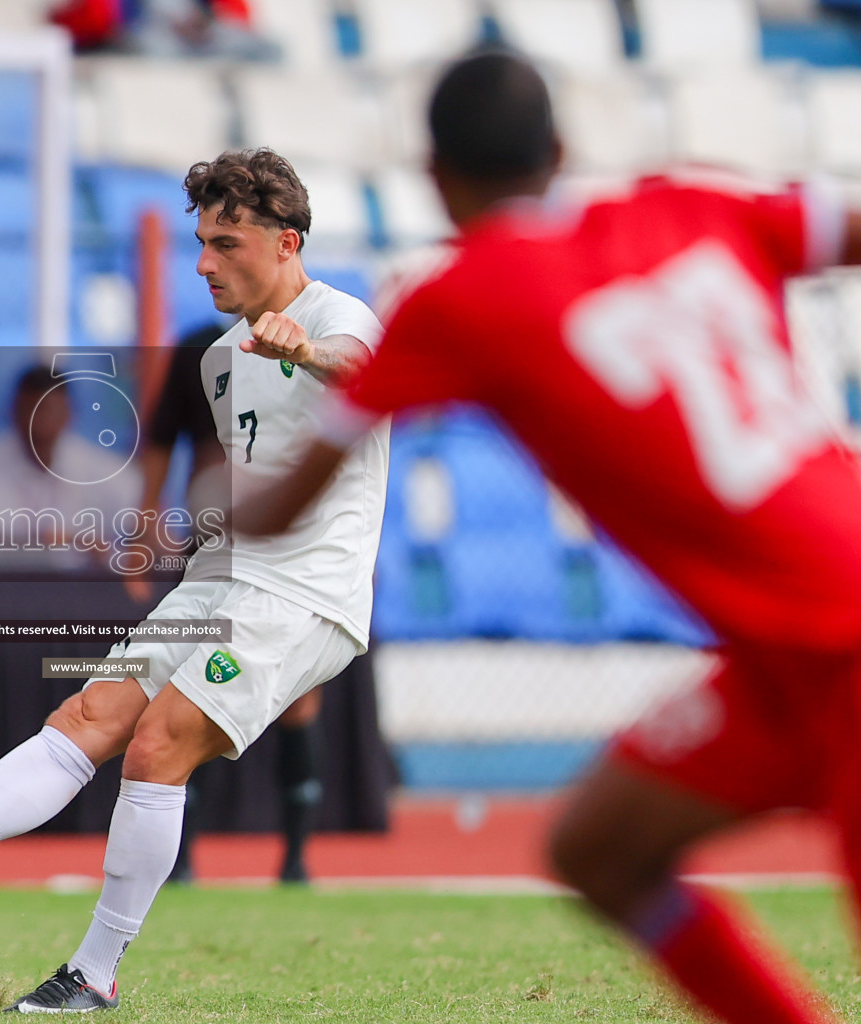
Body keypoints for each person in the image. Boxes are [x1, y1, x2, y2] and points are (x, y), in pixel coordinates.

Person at [240, 49, 861, 1024]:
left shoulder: (462, 299)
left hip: (839, 646)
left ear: (437, 179)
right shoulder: (689, 204)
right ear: (561, 150)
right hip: (788, 653)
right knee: (598, 846)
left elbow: (278, 501)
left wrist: (145, 516)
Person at [0, 147, 391, 1012]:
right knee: (88, 714)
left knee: (159, 746)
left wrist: (306, 351)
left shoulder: (344, 320)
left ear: (287, 241)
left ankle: (95, 971)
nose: (204, 263)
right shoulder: (221, 356)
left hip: (306, 596)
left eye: (227, 243)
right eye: (200, 242)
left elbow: (378, 386)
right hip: (223, 579)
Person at [140, 320, 326, 884]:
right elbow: (162, 440)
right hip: (216, 540)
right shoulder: (201, 347)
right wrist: (147, 519)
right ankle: (184, 859)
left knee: (297, 699)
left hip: (299, 547)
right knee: (185, 686)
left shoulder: (317, 338)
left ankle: (296, 858)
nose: (212, 265)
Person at [0, 363, 140, 574]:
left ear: (69, 413)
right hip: (4, 592)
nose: (39, 422)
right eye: (31, 410)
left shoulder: (106, 470)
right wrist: (70, 542)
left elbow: (147, 531)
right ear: (12, 412)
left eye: (48, 410)